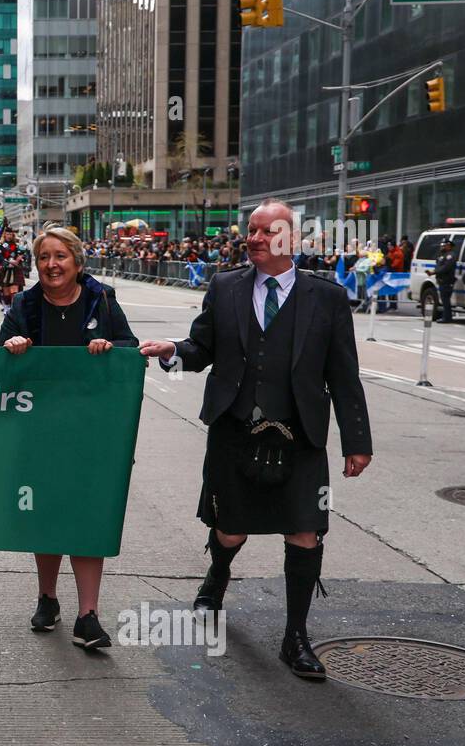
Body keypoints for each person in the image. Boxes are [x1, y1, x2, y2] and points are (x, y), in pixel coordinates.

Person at [138, 198, 373, 680]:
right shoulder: (225, 287)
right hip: (236, 430)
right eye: (252, 230)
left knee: (305, 531)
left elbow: (344, 374)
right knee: (231, 528)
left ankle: (296, 637)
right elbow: (201, 349)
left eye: (267, 232)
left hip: (301, 435)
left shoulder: (325, 298)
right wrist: (171, 353)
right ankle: (217, 575)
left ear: (291, 239)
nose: (255, 239)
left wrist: (356, 440)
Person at [0, 226, 138, 647]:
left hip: (92, 432)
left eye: (60, 256)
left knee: (86, 515)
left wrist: (109, 347)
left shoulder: (103, 299)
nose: (52, 265)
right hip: (39, 432)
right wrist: (14, 345)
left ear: (77, 262)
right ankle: (47, 597)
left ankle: (88, 614)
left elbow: (130, 350)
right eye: (44, 257)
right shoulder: (23, 305)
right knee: (46, 514)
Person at [428, 239, 458, 323]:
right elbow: (439, 265)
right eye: (442, 245)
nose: (442, 247)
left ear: (449, 246)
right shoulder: (443, 255)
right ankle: (446, 316)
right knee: (444, 300)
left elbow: (445, 268)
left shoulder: (450, 256)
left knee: (446, 300)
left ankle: (447, 317)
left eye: (444, 246)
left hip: (447, 280)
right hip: (442, 280)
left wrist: (434, 272)